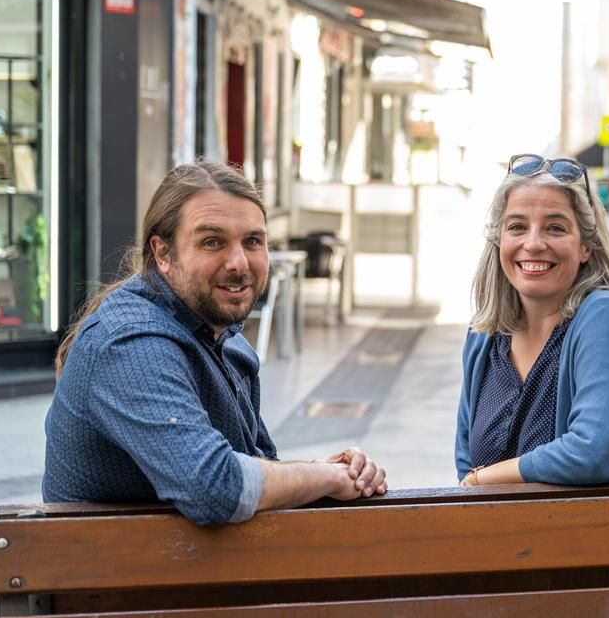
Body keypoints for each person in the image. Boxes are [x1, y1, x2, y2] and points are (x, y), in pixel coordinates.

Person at [43, 161, 388, 525]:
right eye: (212, 242)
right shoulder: (128, 345)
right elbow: (215, 488)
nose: (239, 263)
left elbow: (253, 469)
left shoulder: (227, 341)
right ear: (162, 253)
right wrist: (328, 477)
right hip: (114, 576)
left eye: (253, 241)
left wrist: (323, 471)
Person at [455, 153, 609, 487]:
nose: (533, 243)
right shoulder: (484, 334)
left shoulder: (607, 316)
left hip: (598, 536)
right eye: (517, 227)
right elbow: (465, 465)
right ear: (499, 240)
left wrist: (486, 479)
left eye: (555, 228)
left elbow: (599, 451)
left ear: (586, 247)